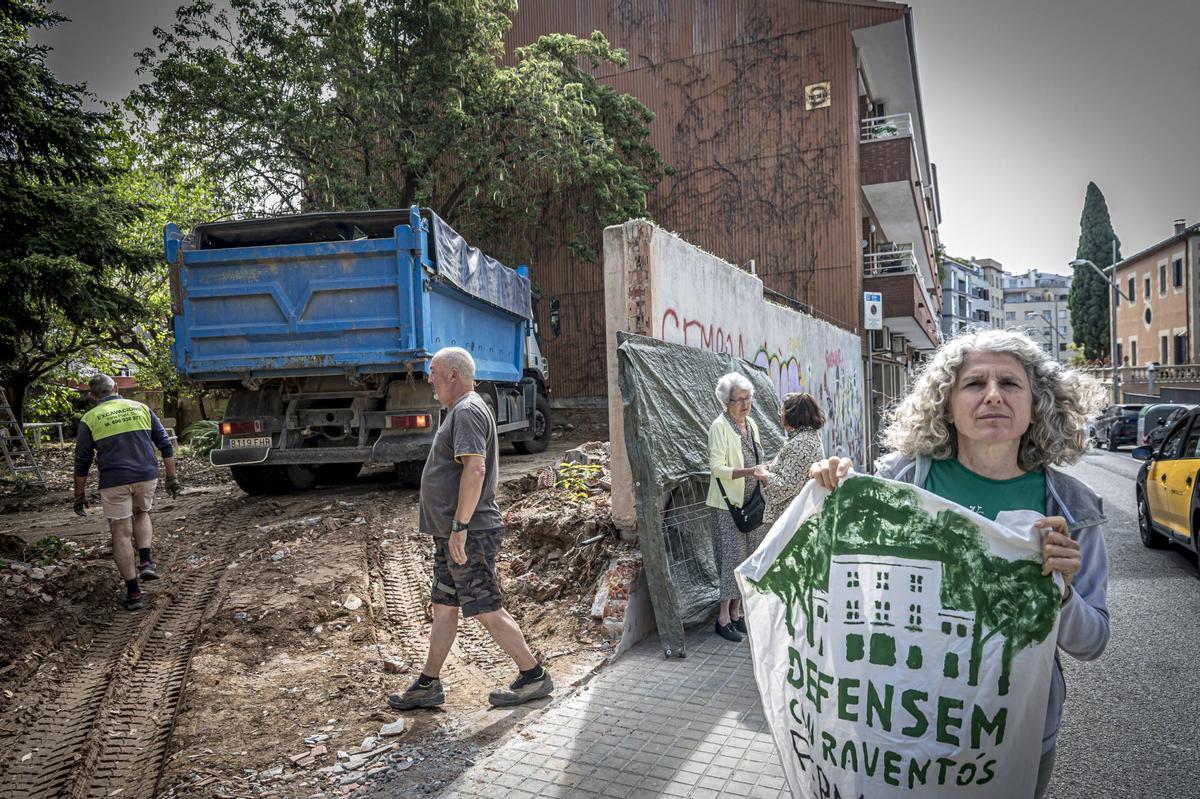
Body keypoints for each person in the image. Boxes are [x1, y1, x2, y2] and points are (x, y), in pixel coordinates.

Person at [808, 328, 1108, 799]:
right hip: (901, 725)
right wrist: (826, 494)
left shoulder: (1072, 511)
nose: (993, 396)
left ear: (1036, 405)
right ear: (947, 404)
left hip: (1013, 736)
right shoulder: (898, 484)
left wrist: (1064, 593)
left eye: (1010, 384)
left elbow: (1091, 643)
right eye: (974, 384)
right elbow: (838, 583)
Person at [388, 347, 553, 710]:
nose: (428, 379)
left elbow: (475, 470)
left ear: (453, 375)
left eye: (433, 371)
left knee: (485, 607)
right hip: (454, 534)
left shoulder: (466, 411)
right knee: (444, 606)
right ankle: (428, 684)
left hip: (469, 532)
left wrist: (461, 526)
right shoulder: (460, 410)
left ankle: (533, 675)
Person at [73, 374, 182, 611]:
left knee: (120, 532)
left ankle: (133, 593)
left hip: (114, 480)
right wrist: (171, 478)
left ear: (92, 396)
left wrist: (79, 495)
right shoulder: (140, 408)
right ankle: (146, 561)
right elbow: (165, 444)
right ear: (115, 387)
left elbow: (82, 461)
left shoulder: (89, 418)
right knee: (142, 513)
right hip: (146, 475)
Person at [707, 372, 771, 643]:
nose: (745, 405)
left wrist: (761, 471)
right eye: (738, 400)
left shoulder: (752, 423)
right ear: (726, 402)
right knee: (730, 560)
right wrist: (750, 472)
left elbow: (760, 455)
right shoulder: (719, 427)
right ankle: (722, 618)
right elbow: (716, 468)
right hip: (727, 505)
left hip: (751, 502)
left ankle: (736, 612)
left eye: (748, 399)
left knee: (747, 559)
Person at [762, 392, 825, 526]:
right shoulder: (805, 437)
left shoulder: (801, 443)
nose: (781, 415)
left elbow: (787, 486)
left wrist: (764, 475)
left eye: (782, 411)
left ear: (791, 414)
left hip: (793, 520)